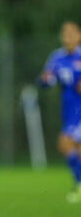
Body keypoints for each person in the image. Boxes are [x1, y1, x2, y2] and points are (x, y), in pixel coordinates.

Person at [38, 21, 81, 203]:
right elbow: (45, 79)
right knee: (76, 150)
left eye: (71, 33)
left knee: (64, 143)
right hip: (69, 111)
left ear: (79, 35)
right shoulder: (57, 57)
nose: (67, 37)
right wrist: (46, 79)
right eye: (65, 34)